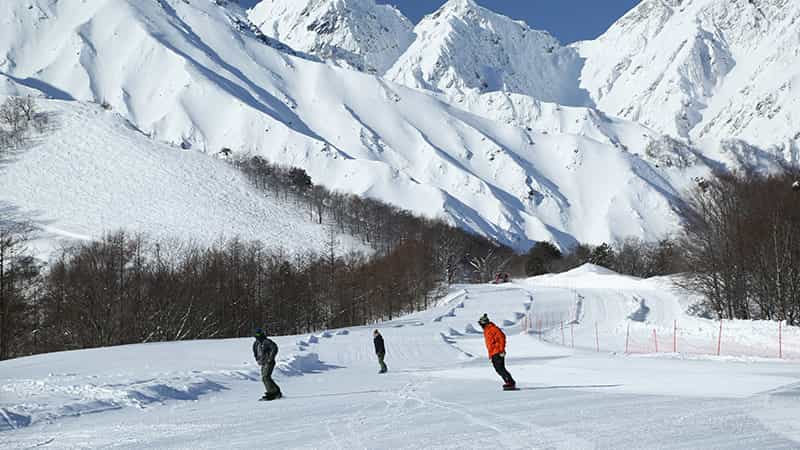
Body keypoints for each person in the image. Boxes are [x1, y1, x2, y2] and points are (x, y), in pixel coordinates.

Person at [478, 314, 515, 389]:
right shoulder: (487, 330)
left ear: (484, 323)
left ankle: (510, 382)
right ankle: (509, 382)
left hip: (498, 352)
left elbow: (502, 337)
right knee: (498, 369)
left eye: (481, 323)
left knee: (500, 368)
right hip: (493, 353)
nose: (480, 325)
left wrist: (501, 350)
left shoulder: (493, 329)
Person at [253, 327, 282, 400]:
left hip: (269, 362)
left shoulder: (267, 341)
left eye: (259, 334)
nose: (258, 335)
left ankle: (272, 392)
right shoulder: (256, 343)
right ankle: (276, 391)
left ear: (262, 333)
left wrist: (270, 358)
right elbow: (255, 351)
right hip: (263, 362)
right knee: (265, 378)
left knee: (266, 377)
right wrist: (257, 359)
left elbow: (274, 348)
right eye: (256, 334)